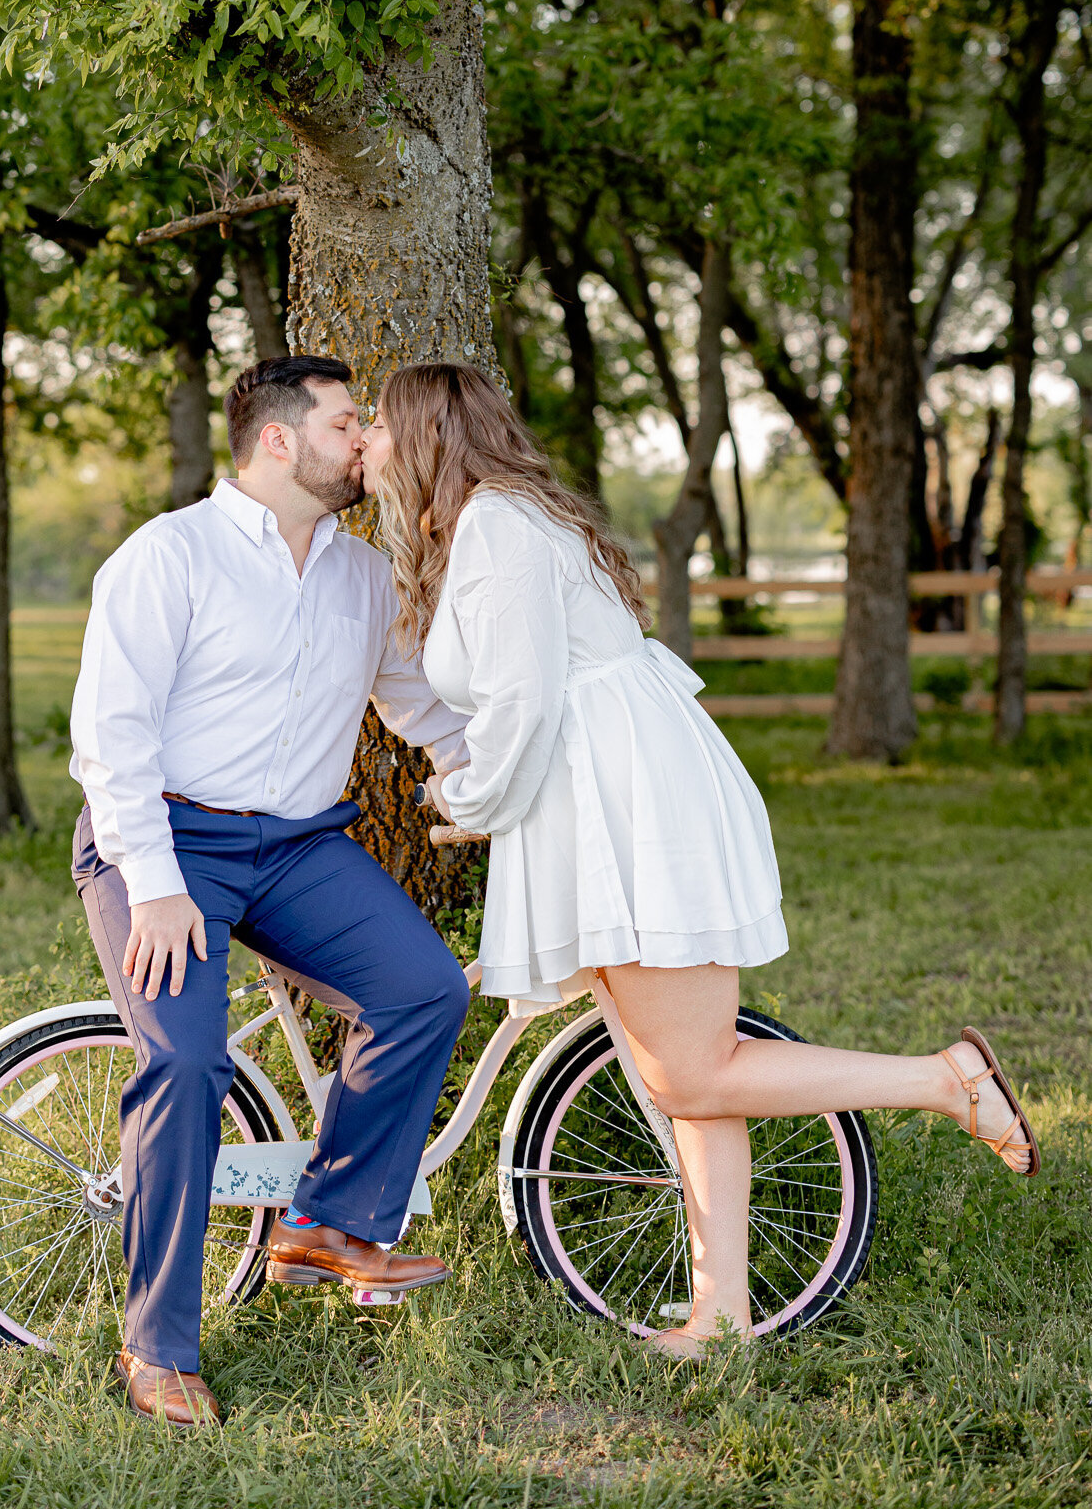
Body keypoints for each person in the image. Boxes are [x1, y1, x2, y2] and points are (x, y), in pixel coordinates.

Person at [359, 361, 1040, 1357]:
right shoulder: (486, 525)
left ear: (423, 433)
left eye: (377, 421)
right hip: (606, 798)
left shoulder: (500, 526)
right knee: (690, 1072)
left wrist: (466, 796)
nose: (368, 438)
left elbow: (525, 702)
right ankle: (720, 1316)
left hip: (628, 803)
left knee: (693, 1068)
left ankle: (944, 1079)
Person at [69, 356, 471, 1428]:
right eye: (348, 423)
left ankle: (328, 1220)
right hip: (160, 840)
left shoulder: (363, 574)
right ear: (282, 440)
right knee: (188, 1060)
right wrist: (154, 886)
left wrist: (513, 772)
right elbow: (110, 737)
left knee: (424, 987)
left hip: (297, 847)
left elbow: (422, 705)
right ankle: (157, 1345)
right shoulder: (170, 555)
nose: (365, 441)